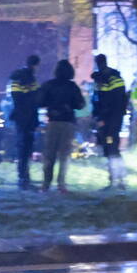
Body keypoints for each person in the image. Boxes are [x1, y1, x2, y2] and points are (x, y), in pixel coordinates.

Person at [37, 60, 87, 192]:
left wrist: (52, 106)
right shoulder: (72, 86)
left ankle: (46, 184)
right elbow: (80, 104)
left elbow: (39, 101)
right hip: (68, 122)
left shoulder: (48, 85)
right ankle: (61, 184)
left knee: (49, 154)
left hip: (53, 121)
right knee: (64, 155)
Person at [90, 53, 130, 189]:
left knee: (111, 147)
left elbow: (104, 101)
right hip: (112, 119)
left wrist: (100, 118)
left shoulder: (106, 79)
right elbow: (99, 100)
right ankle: (117, 179)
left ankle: (118, 180)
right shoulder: (114, 78)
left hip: (110, 120)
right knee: (110, 148)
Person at [4, 54, 42, 191]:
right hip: (28, 118)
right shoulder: (31, 79)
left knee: (23, 149)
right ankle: (24, 179)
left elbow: (16, 98)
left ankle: (23, 178)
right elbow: (36, 98)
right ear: (36, 65)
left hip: (20, 118)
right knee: (25, 149)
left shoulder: (16, 78)